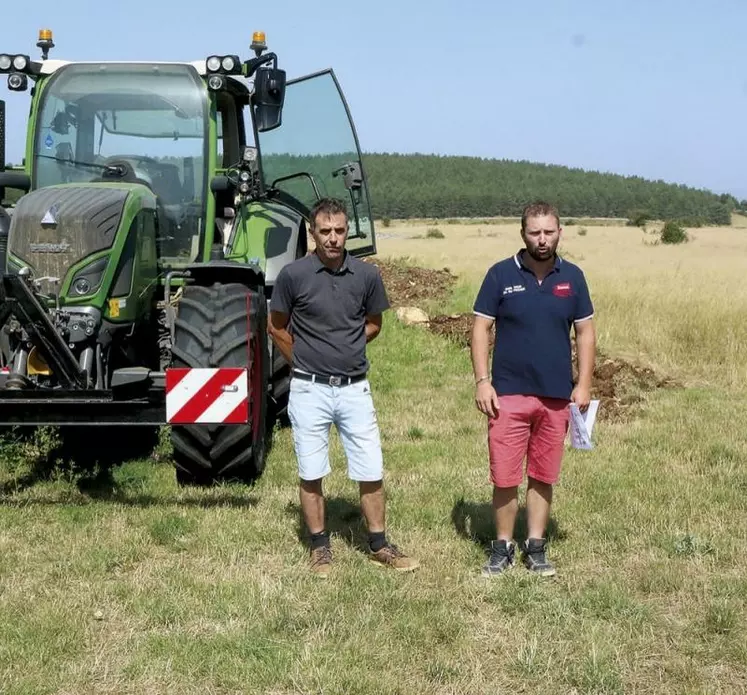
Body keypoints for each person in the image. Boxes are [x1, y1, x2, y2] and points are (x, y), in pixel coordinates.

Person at [268, 197, 419, 578]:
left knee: (370, 468)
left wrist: (346, 347)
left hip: (354, 389)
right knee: (311, 470)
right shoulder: (293, 276)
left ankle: (379, 544)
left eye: (339, 231)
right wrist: (300, 359)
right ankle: (320, 548)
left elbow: (373, 324)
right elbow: (276, 326)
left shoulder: (367, 276)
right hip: (308, 389)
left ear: (347, 230)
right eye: (325, 231)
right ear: (312, 233)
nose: (333, 239)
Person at [470, 201, 596, 577]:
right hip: (507, 394)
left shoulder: (572, 277)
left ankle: (536, 547)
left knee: (543, 474)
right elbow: (480, 328)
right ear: (522, 234)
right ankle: (503, 546)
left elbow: (585, 333)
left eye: (549, 232)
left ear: (560, 231)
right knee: (505, 475)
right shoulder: (499, 274)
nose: (542, 240)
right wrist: (482, 381)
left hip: (556, 396)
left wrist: (584, 382)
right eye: (534, 233)